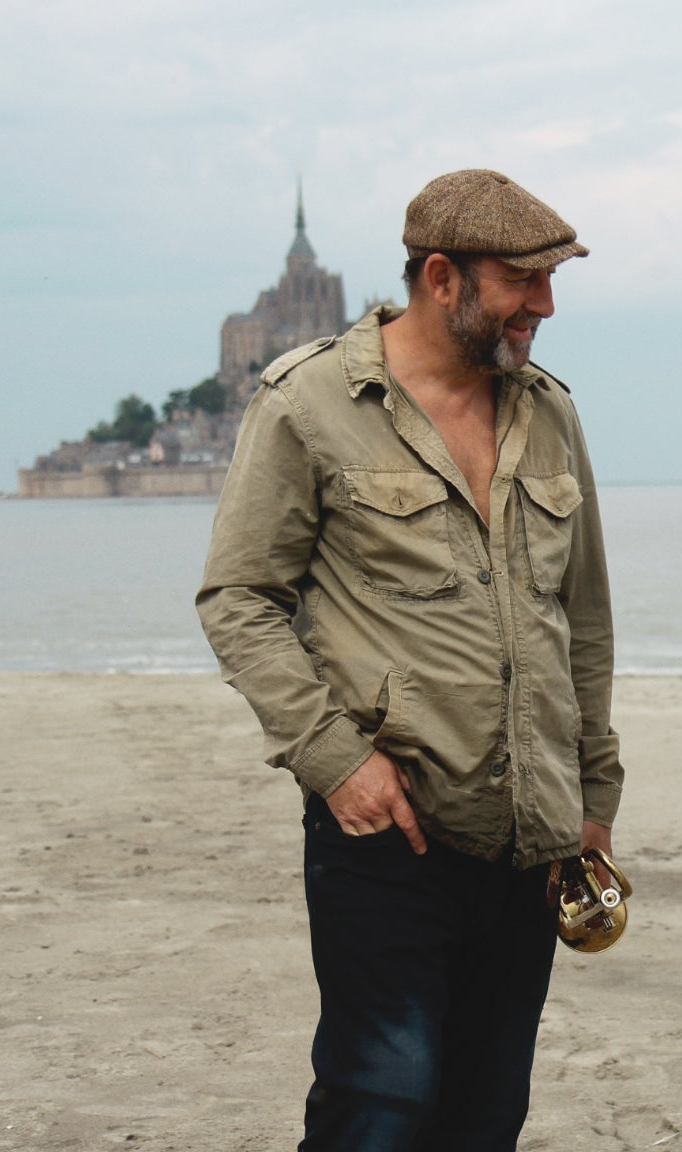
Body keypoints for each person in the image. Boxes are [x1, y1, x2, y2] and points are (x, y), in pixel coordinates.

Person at [198, 169, 623, 1151]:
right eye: (524, 281)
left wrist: (593, 792)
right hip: (385, 833)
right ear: (443, 277)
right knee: (379, 1104)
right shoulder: (308, 402)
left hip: (533, 836)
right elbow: (239, 599)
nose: (545, 306)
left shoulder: (550, 413)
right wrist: (336, 761)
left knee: (485, 1115)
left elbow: (584, 621)